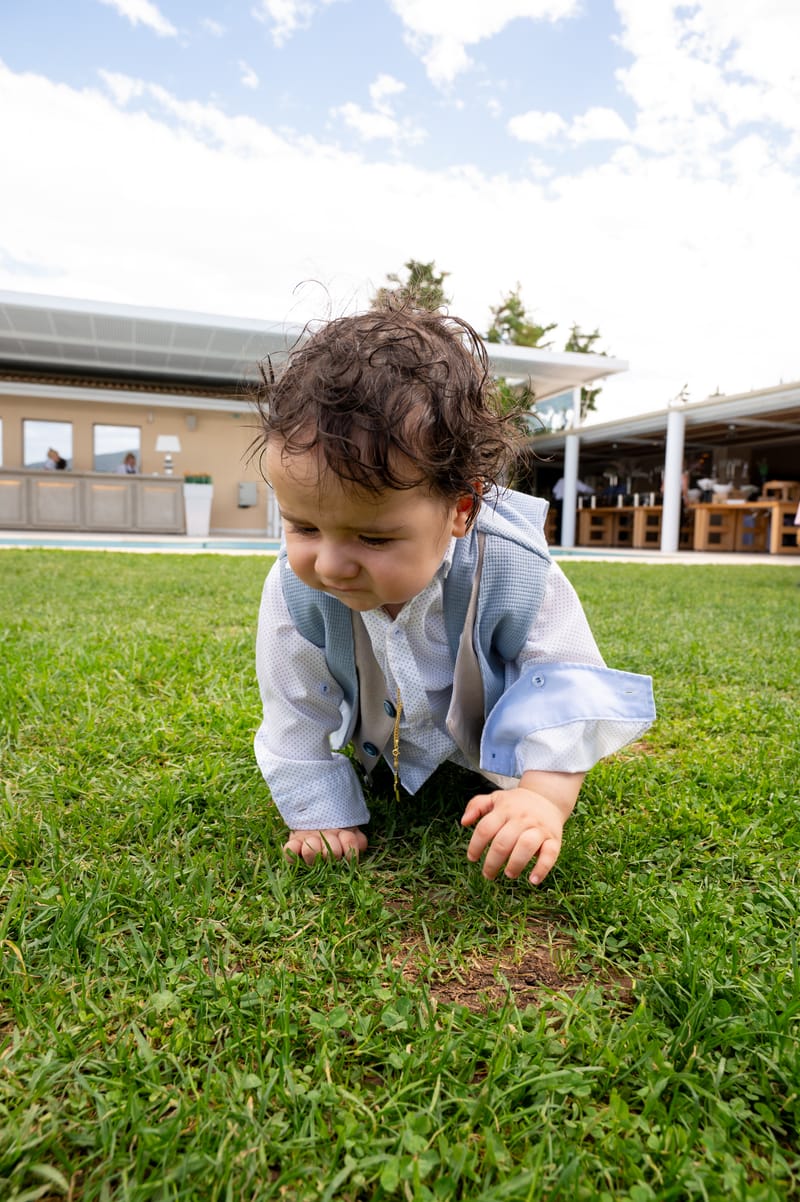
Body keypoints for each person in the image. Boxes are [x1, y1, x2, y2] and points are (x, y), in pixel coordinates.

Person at [253, 305, 655, 885]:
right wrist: (317, 810)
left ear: (461, 509)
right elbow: (292, 701)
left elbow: (562, 680)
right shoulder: (295, 586)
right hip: (379, 743)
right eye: (304, 527)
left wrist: (543, 798)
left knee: (530, 761)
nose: (331, 563)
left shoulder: (513, 565)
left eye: (373, 536)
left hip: (493, 741)